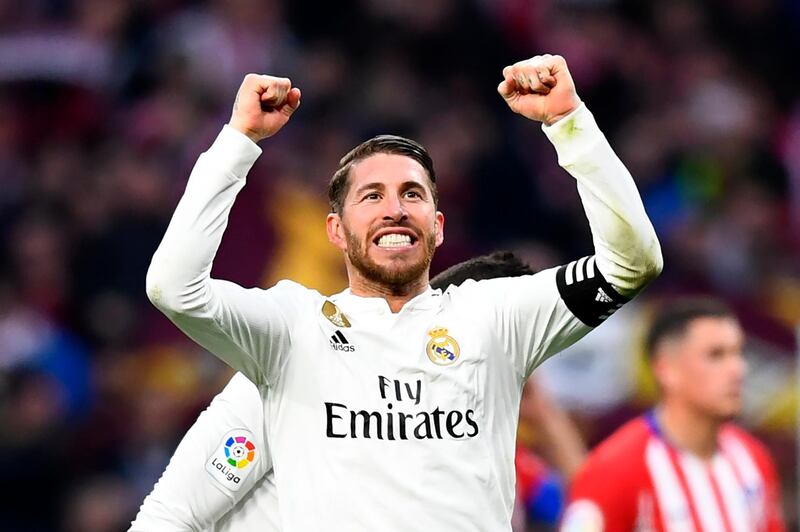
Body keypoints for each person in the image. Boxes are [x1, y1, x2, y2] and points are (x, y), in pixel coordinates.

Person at [145, 54, 662, 530]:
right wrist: (239, 141)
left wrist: (570, 123)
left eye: (411, 194)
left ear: (437, 226)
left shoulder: (496, 316)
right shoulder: (291, 330)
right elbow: (174, 288)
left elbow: (633, 263)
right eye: (372, 196)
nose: (394, 208)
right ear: (335, 231)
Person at [561, 299, 786, 532]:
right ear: (666, 370)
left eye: (739, 353)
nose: (739, 369)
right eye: (716, 355)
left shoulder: (753, 457)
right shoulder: (614, 470)